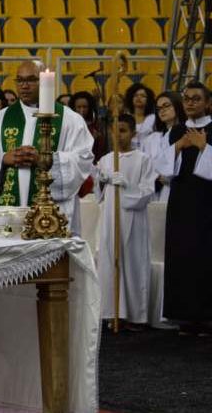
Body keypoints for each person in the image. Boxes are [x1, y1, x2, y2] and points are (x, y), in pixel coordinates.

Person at [0, 60, 94, 228]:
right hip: (10, 214)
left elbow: (83, 159)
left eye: (30, 80)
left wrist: (45, 159)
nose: (24, 86)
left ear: (44, 81)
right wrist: (4, 158)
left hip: (51, 215)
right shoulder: (1, 118)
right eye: (20, 80)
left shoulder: (70, 119)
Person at [159, 82, 212, 336]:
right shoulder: (177, 131)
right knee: (182, 254)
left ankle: (206, 317)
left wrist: (204, 147)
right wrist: (178, 146)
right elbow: (163, 168)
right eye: (187, 98)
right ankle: (184, 316)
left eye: (196, 99)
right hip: (181, 202)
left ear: (207, 103)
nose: (190, 102)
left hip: (206, 202)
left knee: (205, 257)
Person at [96, 113, 156, 330]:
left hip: (133, 220)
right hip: (109, 220)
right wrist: (102, 181)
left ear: (133, 133)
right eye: (115, 130)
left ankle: (133, 314)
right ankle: (111, 313)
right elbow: (98, 194)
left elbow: (148, 191)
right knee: (109, 261)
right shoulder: (105, 160)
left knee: (131, 263)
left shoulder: (143, 159)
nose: (118, 135)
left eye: (123, 130)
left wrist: (128, 187)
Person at [142, 91, 186, 202]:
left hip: (178, 191)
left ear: (178, 105)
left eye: (166, 105)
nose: (162, 110)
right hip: (153, 192)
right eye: (159, 108)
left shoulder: (187, 134)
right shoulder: (151, 139)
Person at [124, 83, 156, 150]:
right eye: (135, 95)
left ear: (148, 100)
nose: (139, 98)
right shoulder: (126, 118)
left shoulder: (153, 118)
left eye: (143, 96)